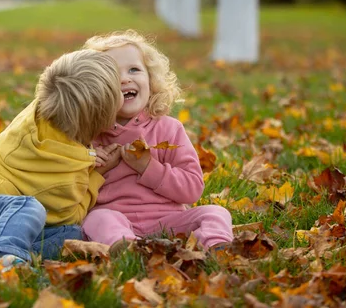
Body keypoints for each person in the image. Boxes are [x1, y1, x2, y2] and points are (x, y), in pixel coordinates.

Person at [0, 49, 123, 272]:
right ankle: (3, 259)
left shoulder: (36, 115)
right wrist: (96, 172)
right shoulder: (66, 172)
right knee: (31, 208)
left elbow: (72, 91)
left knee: (71, 236)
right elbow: (71, 214)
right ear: (100, 120)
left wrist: (85, 154)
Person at [81, 30, 234, 255]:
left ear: (151, 81)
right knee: (97, 218)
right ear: (95, 89)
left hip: (170, 222)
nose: (125, 79)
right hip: (117, 219)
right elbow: (73, 192)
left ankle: (217, 247)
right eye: (112, 74)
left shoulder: (169, 129)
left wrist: (148, 167)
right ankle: (128, 249)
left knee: (215, 213)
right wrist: (99, 168)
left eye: (134, 69)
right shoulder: (88, 135)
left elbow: (192, 189)